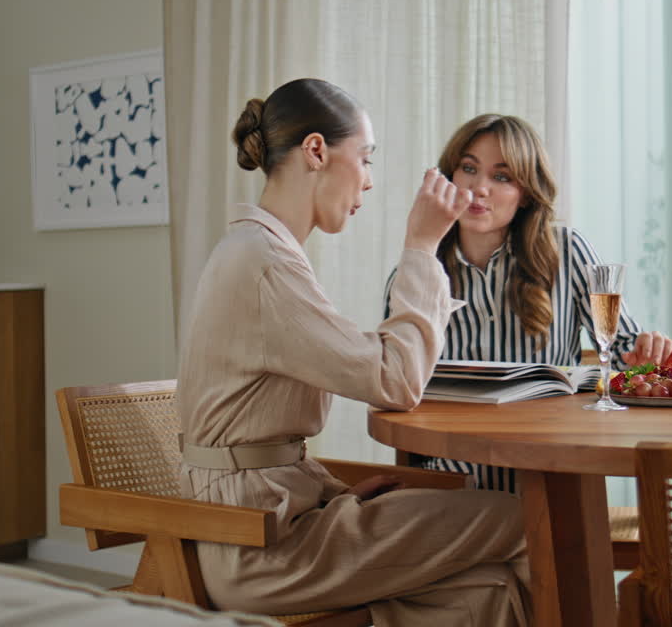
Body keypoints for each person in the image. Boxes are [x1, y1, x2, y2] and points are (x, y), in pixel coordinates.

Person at [176, 79, 531, 626]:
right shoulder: (263, 263)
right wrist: (422, 246)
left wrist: (330, 493)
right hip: (259, 544)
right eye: (364, 159)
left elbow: (259, 437)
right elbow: (394, 380)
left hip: (281, 517)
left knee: (491, 589)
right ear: (316, 151)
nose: (368, 179)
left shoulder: (262, 252)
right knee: (528, 522)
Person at [385, 114, 672, 492]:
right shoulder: (418, 271)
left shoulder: (566, 251)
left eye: (502, 177)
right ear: (448, 178)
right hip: (450, 486)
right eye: (469, 169)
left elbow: (622, 352)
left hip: (549, 481)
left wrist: (647, 355)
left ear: (525, 193)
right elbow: (393, 384)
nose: (479, 188)